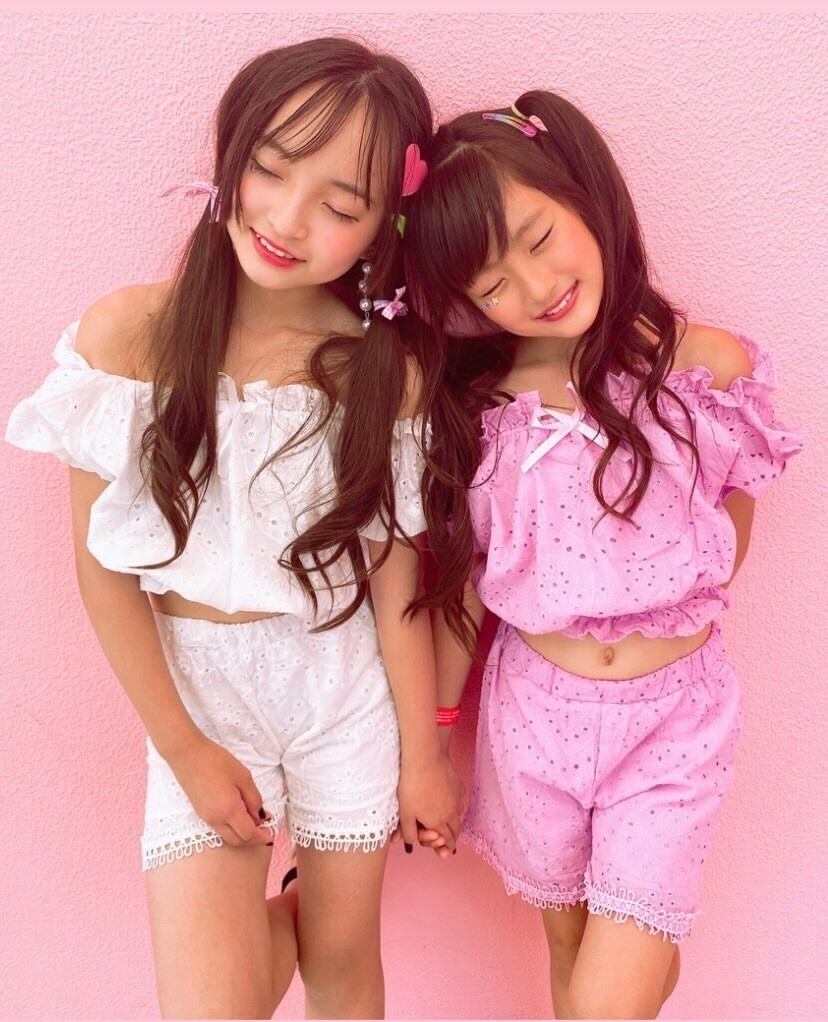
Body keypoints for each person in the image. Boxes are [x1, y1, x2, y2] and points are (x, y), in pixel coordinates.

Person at [5, 37, 461, 1020]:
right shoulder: (128, 338)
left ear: (381, 228)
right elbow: (101, 570)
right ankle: (303, 914)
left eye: (341, 204)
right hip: (201, 692)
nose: (290, 219)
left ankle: (323, 921)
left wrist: (425, 758)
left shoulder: (383, 370)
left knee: (344, 976)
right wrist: (183, 745)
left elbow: (396, 582)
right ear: (233, 152)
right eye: (272, 167)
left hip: (342, 688)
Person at [403, 93, 803, 1019]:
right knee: (571, 948)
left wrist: (656, 604)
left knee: (611, 995)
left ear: (582, 193)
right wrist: (433, 738)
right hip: (534, 717)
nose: (533, 285)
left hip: (674, 722)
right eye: (491, 285)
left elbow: (730, 520)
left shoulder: (704, 369)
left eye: (540, 237)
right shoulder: (486, 411)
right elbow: (466, 592)